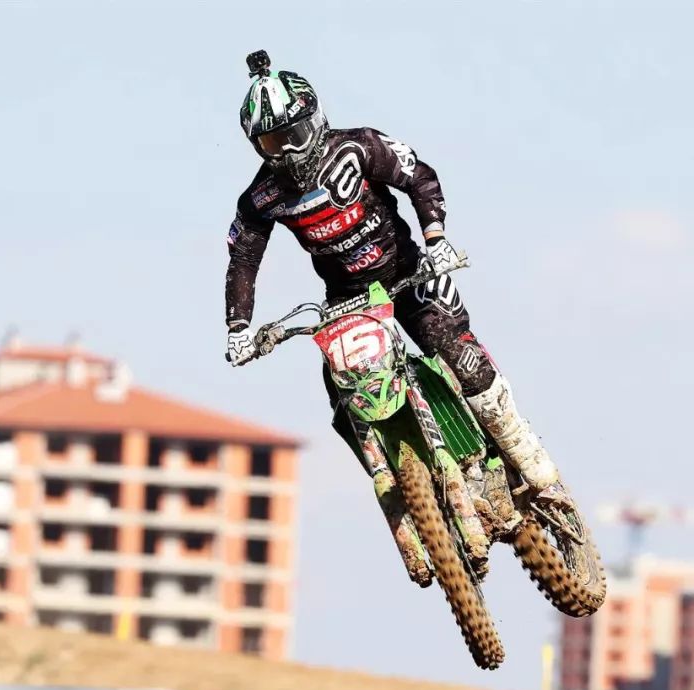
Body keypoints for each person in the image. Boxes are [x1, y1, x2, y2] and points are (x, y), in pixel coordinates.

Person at [224, 50, 569, 512]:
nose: (286, 152)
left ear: (315, 120)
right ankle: (399, 482)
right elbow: (244, 257)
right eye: (272, 143)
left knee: (461, 358)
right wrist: (238, 327)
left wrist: (436, 239)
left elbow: (419, 177)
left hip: (410, 272)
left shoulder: (358, 147)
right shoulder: (260, 197)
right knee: (346, 392)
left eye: (294, 136)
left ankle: (538, 473)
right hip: (347, 299)